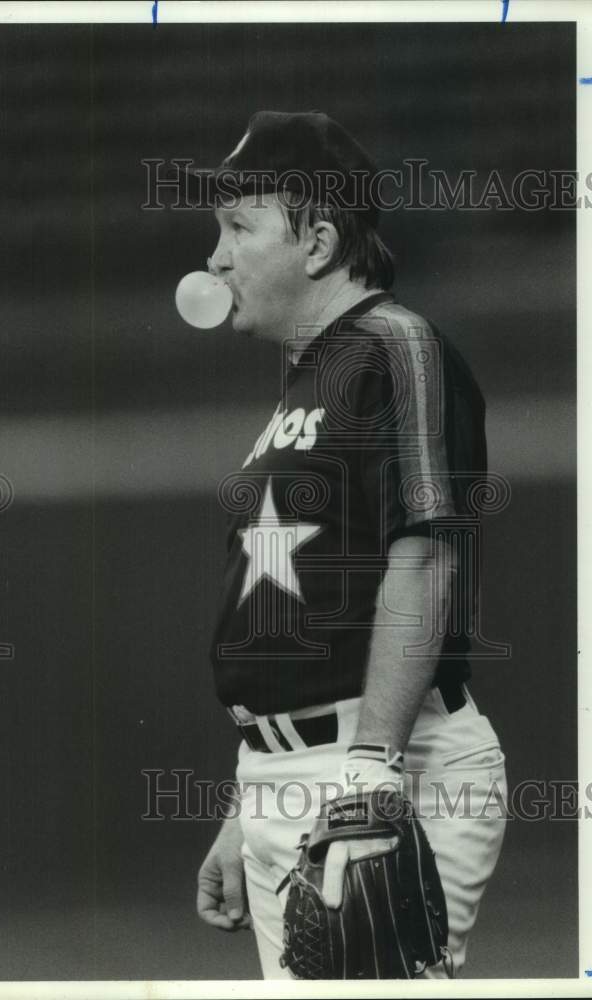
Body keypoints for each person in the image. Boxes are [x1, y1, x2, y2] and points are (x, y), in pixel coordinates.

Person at [194, 110, 507, 979]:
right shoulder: (311, 375)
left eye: (236, 227)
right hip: (293, 776)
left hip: (381, 765)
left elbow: (428, 552)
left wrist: (369, 769)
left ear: (319, 240)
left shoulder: (392, 348)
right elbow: (301, 614)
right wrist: (250, 790)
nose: (214, 259)